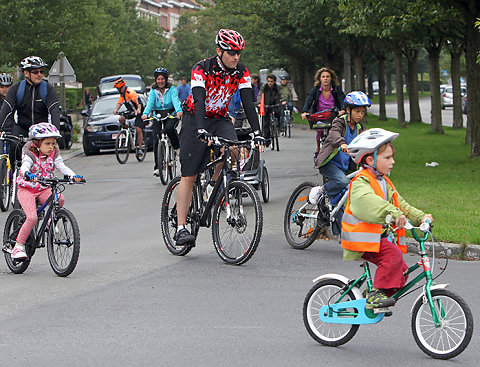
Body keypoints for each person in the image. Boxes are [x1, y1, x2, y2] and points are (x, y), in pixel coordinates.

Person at [176, 28, 266, 247]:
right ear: (219, 51)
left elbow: (247, 102)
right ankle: (180, 228)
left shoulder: (241, 71)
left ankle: (213, 185)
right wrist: (200, 130)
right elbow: (198, 100)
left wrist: (257, 133)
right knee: (190, 174)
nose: (236, 56)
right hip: (195, 118)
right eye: (231, 52)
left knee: (234, 149)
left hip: (220, 118)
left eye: (239, 52)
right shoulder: (202, 68)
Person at [341, 128, 433, 309]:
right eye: (387, 158)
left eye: (392, 157)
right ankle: (375, 296)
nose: (393, 161)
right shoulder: (360, 182)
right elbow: (368, 203)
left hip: (376, 238)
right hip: (361, 239)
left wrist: (420, 217)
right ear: (370, 160)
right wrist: (392, 214)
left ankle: (376, 295)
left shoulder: (384, 182)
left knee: (402, 270)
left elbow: (402, 205)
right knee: (393, 256)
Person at [10, 123, 83, 259]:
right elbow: (24, 167)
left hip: (43, 188)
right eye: (47, 143)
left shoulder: (53, 154)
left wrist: (73, 176)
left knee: (59, 199)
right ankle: (18, 246)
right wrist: (27, 174)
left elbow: (62, 166)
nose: (51, 147)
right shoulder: (30, 154)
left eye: (53, 143)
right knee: (32, 217)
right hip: (27, 190)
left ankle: (51, 219)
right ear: (37, 143)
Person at [308, 91, 368, 205]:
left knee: (346, 197)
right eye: (357, 111)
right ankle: (320, 190)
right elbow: (334, 133)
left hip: (345, 167)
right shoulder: (340, 122)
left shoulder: (360, 128)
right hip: (329, 163)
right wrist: (342, 143)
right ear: (348, 110)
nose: (360, 115)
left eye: (363, 112)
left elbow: (366, 143)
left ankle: (333, 217)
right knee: (342, 181)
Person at [0, 56, 61, 169]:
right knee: (13, 145)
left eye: (41, 71)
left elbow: (54, 111)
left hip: (41, 128)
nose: (39, 74)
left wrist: (55, 132)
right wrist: (2, 128)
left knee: (43, 155)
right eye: (35, 72)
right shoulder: (16, 89)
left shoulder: (48, 89)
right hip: (22, 126)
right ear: (26, 73)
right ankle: (15, 175)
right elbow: (6, 109)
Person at [142, 68, 182, 177]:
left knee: (169, 129)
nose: (160, 81)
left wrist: (178, 112)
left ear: (166, 79)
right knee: (156, 138)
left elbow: (175, 101)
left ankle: (177, 148)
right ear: (156, 80)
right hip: (158, 115)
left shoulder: (171, 89)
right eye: (158, 79)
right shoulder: (153, 91)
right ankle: (158, 167)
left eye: (162, 79)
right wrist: (145, 113)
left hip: (171, 114)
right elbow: (150, 103)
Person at [301, 67, 346, 157]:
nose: (325, 79)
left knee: (334, 132)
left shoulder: (336, 90)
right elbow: (309, 100)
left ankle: (335, 149)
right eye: (323, 77)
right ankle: (318, 148)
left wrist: (343, 110)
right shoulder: (316, 90)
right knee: (320, 131)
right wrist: (305, 111)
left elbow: (342, 100)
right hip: (320, 115)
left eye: (327, 77)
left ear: (331, 78)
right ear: (320, 79)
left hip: (333, 114)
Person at [112, 77, 145, 155]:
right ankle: (128, 133)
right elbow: (119, 103)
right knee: (121, 119)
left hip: (139, 111)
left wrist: (139, 110)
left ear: (122, 87)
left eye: (118, 89)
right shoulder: (122, 95)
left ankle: (140, 148)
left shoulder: (131, 93)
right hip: (131, 111)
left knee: (138, 128)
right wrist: (116, 110)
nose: (118, 91)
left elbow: (138, 102)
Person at [257, 73, 280, 141]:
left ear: (274, 81)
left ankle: (278, 127)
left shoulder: (277, 87)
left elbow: (282, 94)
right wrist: (259, 103)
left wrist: (283, 100)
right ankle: (267, 138)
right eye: (268, 81)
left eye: (271, 81)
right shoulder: (264, 87)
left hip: (275, 104)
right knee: (266, 121)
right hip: (266, 105)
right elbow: (260, 94)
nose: (270, 83)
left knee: (278, 113)